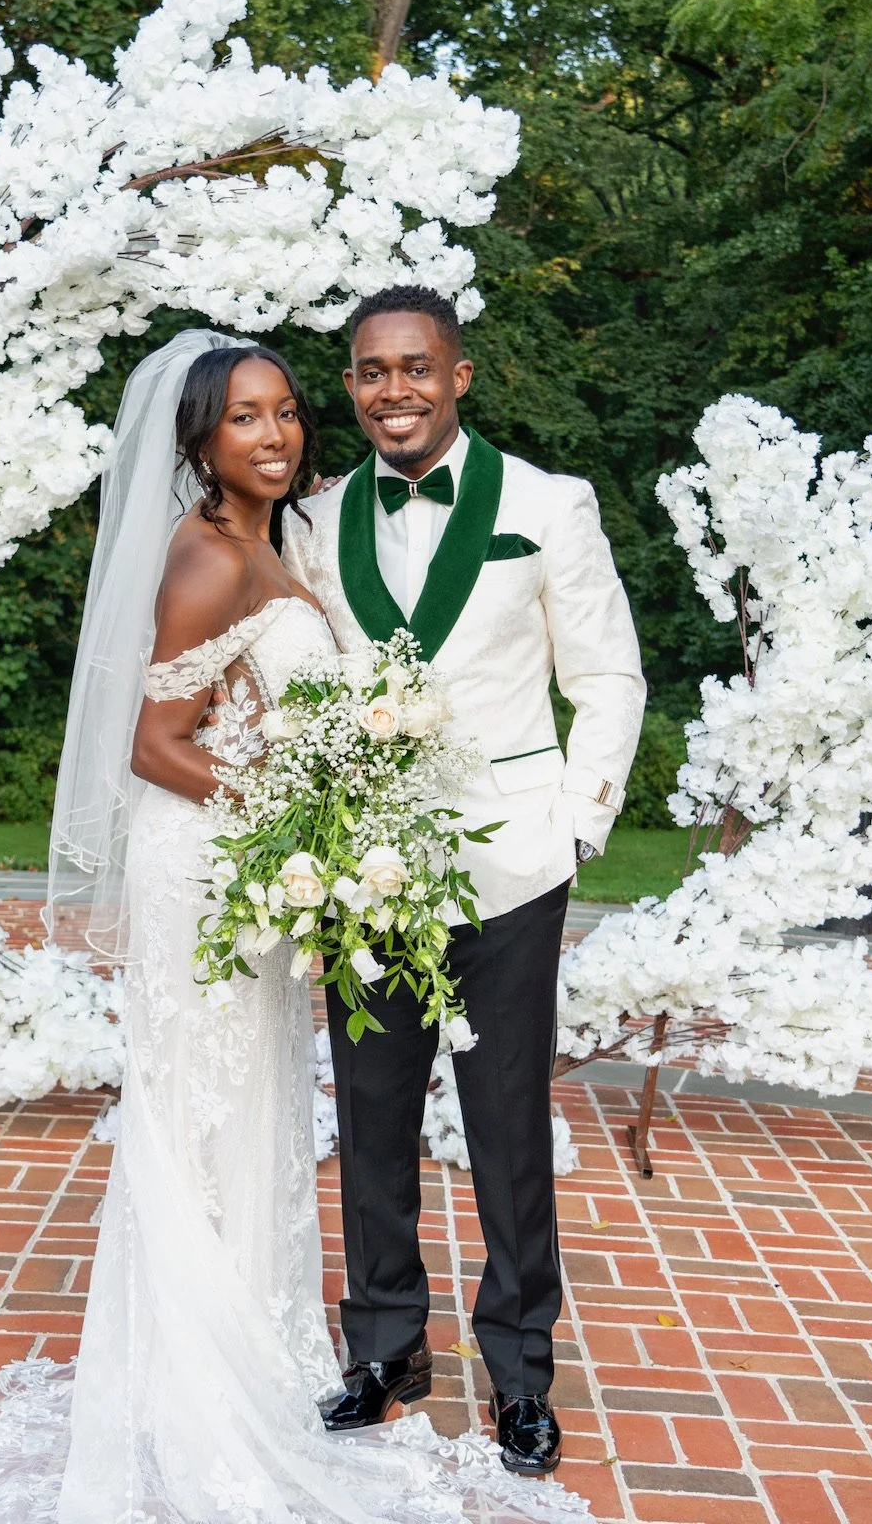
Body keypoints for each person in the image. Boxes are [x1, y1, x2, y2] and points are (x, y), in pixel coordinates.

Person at [0, 328, 589, 1523]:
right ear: (198, 439)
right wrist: (302, 822)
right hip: (220, 867)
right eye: (245, 418)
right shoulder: (209, 554)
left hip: (295, 871)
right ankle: (198, 1377)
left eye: (285, 411)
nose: (274, 433)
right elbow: (154, 747)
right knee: (205, 1107)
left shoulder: (298, 525)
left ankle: (280, 1350)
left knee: (257, 1105)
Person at [285, 285, 644, 1475]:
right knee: (372, 1121)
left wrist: (577, 827)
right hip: (367, 874)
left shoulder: (548, 506)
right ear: (352, 387)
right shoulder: (315, 520)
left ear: (460, 375)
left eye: (417, 368)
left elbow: (611, 681)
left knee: (505, 1133)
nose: (396, 391)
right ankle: (384, 1348)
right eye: (373, 373)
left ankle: (520, 1373)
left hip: (511, 866)